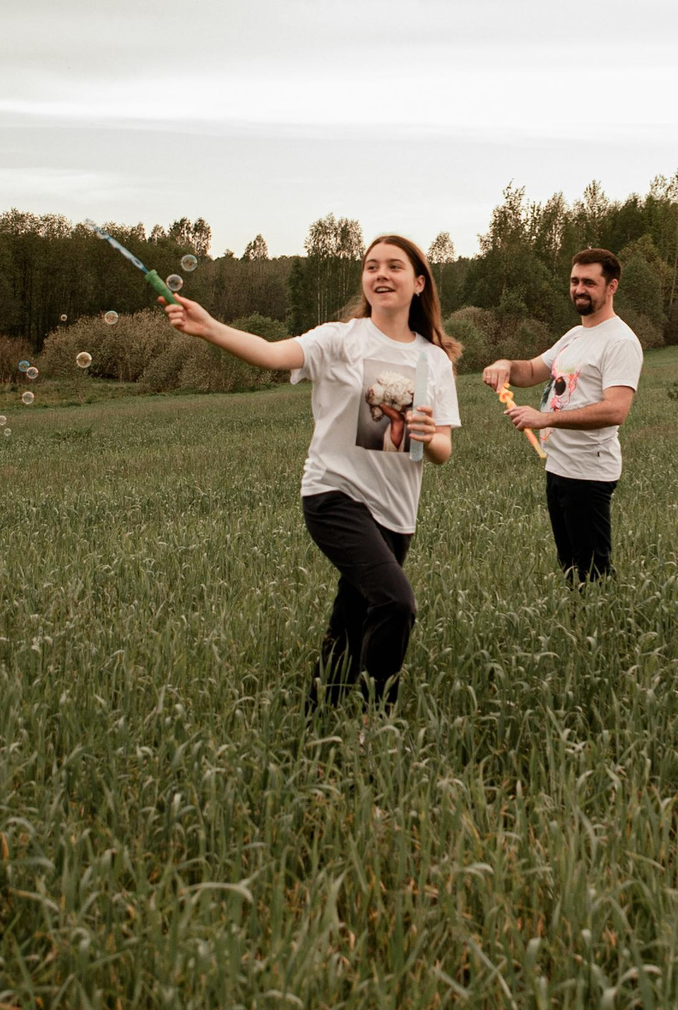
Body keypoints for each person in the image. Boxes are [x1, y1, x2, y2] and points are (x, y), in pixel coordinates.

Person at [165, 234, 461, 705]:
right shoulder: (339, 339)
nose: (380, 274)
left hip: (397, 510)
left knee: (353, 617)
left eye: (394, 267)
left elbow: (443, 446)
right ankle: (375, 724)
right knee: (395, 602)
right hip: (334, 494)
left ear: (420, 283)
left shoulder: (433, 360)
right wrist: (210, 328)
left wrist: (430, 437)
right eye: (371, 266)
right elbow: (269, 352)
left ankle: (317, 718)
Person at [481, 249, 642, 581]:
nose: (579, 289)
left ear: (611, 287)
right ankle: (581, 623)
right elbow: (530, 371)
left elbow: (616, 409)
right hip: (559, 467)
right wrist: (504, 365)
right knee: (571, 566)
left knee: (593, 572)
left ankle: (606, 627)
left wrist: (546, 419)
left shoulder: (621, 341)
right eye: (574, 281)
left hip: (589, 472)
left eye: (589, 282)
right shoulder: (575, 336)